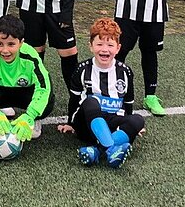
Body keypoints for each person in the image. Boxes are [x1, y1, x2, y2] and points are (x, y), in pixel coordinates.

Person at [58, 18, 145, 169]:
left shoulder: (125, 71)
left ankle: (97, 151)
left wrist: (130, 125)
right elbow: (74, 99)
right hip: (86, 124)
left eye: (110, 45)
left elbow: (128, 102)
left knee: (138, 120)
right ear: (91, 46)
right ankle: (112, 150)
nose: (104, 49)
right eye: (99, 44)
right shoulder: (82, 69)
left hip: (112, 121)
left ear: (118, 48)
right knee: (91, 101)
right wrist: (71, 123)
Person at [0, 15, 55, 142]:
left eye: (11, 44)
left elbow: (44, 88)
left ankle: (33, 121)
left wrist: (30, 115)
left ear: (21, 43)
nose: (5, 50)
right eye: (0, 44)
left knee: (48, 98)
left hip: (25, 93)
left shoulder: (30, 56)